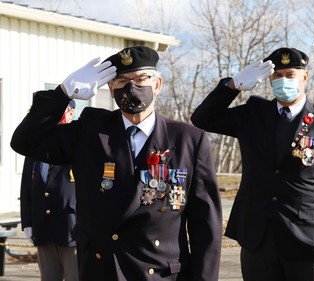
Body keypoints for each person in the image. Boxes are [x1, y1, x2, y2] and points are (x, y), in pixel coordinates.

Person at [11, 45, 222, 281]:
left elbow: (205, 226)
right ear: (111, 89)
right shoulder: (90, 131)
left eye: (141, 78)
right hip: (101, 271)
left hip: (161, 275)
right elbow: (25, 142)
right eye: (121, 81)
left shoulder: (188, 139)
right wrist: (63, 93)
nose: (131, 87)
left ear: (157, 84)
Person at [191, 47, 314, 281]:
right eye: (277, 76)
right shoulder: (254, 113)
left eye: (290, 74)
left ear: (304, 77)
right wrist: (231, 86)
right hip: (257, 237)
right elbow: (202, 119)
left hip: (307, 239)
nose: (283, 80)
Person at [20, 100, 79, 281]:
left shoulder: (77, 145)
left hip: (72, 230)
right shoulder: (35, 147)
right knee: (49, 278)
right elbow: (27, 188)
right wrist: (28, 222)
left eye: (65, 112)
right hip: (43, 228)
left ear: (71, 114)